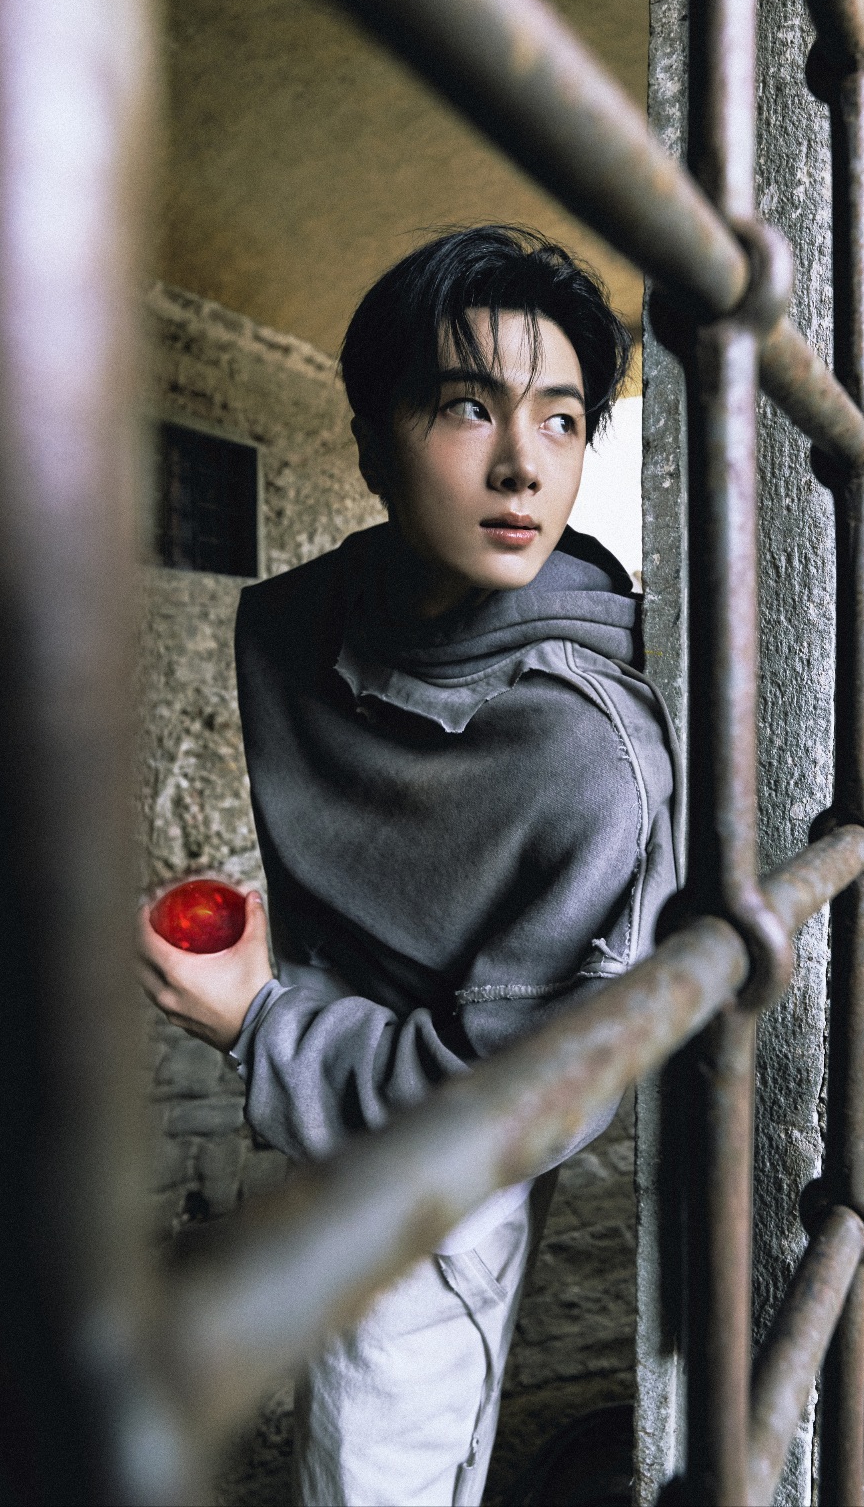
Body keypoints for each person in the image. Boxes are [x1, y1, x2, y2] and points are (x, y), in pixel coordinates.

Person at [138, 225, 681, 1507]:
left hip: (444, 1165)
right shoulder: (291, 624)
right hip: (325, 1093)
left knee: (371, 1460)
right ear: (373, 443)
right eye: (466, 406)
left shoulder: (591, 757)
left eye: (562, 420)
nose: (523, 465)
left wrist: (260, 1021)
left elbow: (513, 1104)